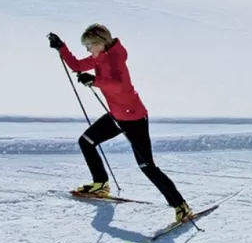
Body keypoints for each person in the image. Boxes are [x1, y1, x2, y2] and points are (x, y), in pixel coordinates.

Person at [49, 24, 194, 226]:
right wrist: (61, 47)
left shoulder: (116, 59)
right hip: (117, 116)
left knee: (147, 166)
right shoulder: (100, 57)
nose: (88, 50)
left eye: (90, 45)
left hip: (134, 118)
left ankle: (181, 206)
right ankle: (100, 184)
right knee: (86, 141)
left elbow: (119, 85)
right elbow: (77, 66)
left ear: (100, 42)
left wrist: (95, 81)